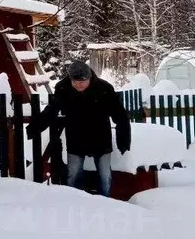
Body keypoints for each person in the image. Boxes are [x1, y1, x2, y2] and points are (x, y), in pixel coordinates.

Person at [27, 60, 131, 197]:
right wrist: (35, 127)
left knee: (105, 176)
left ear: (90, 78)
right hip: (76, 137)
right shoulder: (64, 89)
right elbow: (51, 110)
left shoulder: (104, 89)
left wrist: (123, 139)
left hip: (100, 137)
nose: (79, 84)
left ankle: (106, 202)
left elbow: (120, 115)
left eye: (82, 81)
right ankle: (74, 201)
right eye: (75, 81)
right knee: (73, 174)